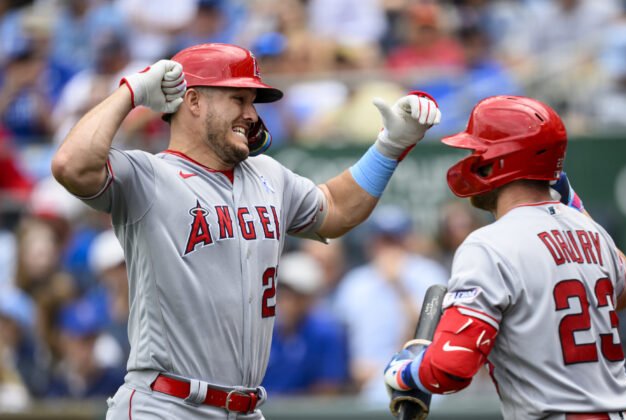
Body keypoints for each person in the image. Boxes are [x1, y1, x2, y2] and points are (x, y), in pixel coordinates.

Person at [50, 42, 440, 419]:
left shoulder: (267, 174)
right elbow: (71, 165)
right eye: (238, 99)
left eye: (252, 102)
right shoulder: (148, 176)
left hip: (247, 408)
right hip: (167, 404)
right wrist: (130, 92)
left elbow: (336, 209)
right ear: (194, 100)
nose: (252, 114)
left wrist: (391, 146)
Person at [383, 95, 626, 419]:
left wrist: (405, 371)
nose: (470, 161)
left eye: (477, 153)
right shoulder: (592, 230)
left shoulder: (489, 244)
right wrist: (572, 202)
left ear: (502, 160)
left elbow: (451, 368)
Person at [333, 205, 448, 404]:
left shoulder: (429, 274)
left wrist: (398, 285)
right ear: (371, 243)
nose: (389, 248)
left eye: (395, 240)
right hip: (369, 386)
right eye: (383, 240)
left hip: (422, 379)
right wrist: (352, 372)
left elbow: (432, 334)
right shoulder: (355, 282)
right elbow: (340, 342)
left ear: (408, 241)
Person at [262, 251, 348, 395]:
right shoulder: (265, 330)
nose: (288, 302)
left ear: (309, 298)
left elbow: (326, 393)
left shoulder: (326, 333)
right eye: (283, 293)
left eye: (296, 295)